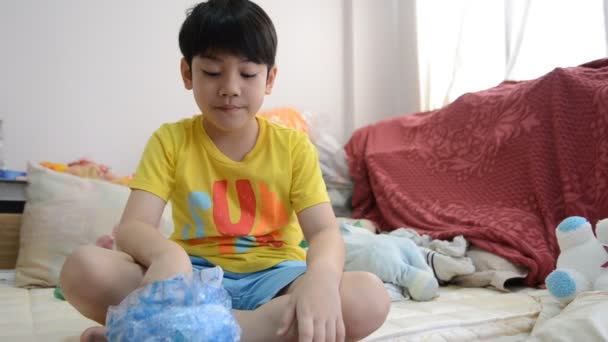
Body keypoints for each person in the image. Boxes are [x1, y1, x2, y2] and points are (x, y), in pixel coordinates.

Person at [59, 0, 390, 341]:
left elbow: (323, 232)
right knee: (83, 269)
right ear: (188, 73)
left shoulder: (293, 147)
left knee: (368, 297)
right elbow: (133, 227)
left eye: (247, 74)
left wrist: (320, 278)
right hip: (191, 281)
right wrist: (167, 255)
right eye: (213, 72)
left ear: (269, 78)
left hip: (278, 280)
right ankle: (245, 329)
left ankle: (164, 330)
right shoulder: (170, 140)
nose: (230, 87)